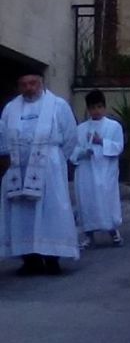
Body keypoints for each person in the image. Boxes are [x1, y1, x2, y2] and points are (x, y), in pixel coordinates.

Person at [0, 70, 79, 275]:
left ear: (41, 83)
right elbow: (3, 136)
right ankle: (30, 259)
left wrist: (57, 160)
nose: (29, 88)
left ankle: (53, 258)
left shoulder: (58, 105)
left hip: (49, 168)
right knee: (22, 214)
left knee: (51, 212)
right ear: (19, 86)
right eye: (24, 84)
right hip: (18, 167)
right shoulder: (10, 108)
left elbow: (71, 135)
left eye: (33, 83)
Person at [70, 89, 124, 248]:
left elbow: (119, 147)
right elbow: (73, 150)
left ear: (104, 107)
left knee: (107, 201)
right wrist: (82, 152)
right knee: (87, 202)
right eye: (93, 108)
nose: (96, 111)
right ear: (88, 109)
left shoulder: (114, 126)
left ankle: (114, 232)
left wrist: (102, 142)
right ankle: (89, 236)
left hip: (105, 171)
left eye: (99, 107)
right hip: (86, 172)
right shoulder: (80, 129)